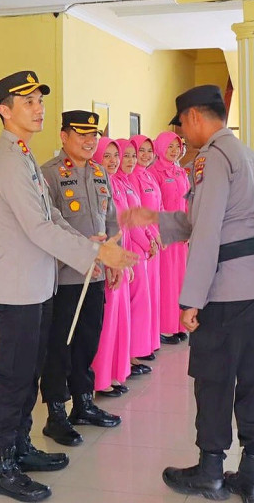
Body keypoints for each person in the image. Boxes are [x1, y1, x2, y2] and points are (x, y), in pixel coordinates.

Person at [122, 85, 254, 503]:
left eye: (182, 124)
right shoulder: (244, 153)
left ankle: (211, 472)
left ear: (195, 116)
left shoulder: (211, 157)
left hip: (230, 291)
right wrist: (155, 217)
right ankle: (250, 475)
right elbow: (209, 219)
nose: (181, 134)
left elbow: (209, 231)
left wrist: (191, 299)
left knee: (214, 378)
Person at [0, 70, 136, 502]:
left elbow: (52, 217)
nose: (38, 108)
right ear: (4, 110)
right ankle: (2, 467)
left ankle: (21, 446)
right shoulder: (8, 159)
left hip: (39, 284)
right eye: (28, 102)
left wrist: (93, 246)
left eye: (39, 101)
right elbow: (37, 227)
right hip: (19, 287)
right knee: (13, 375)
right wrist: (94, 253)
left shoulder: (24, 155)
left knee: (30, 371)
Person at [37, 111, 122, 448]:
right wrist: (84, 249)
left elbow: (111, 220)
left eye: (93, 135)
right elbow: (50, 225)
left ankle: (83, 403)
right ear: (63, 136)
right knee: (60, 344)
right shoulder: (49, 174)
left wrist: (113, 257)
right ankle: (56, 412)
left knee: (88, 339)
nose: (89, 141)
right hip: (66, 277)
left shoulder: (100, 173)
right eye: (81, 134)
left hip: (96, 275)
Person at [91, 138, 133, 398]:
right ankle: (100, 379)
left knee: (117, 321)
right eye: (106, 155)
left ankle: (114, 373)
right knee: (105, 324)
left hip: (117, 258)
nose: (114, 161)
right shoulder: (97, 184)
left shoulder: (115, 183)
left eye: (115, 155)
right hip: (105, 261)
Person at [114, 138, 159, 375]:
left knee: (140, 302)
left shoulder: (125, 182)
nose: (131, 160)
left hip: (139, 246)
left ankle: (133, 354)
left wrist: (151, 238)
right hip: (129, 249)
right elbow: (127, 222)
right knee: (134, 303)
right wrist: (146, 242)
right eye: (128, 155)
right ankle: (128, 357)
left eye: (134, 155)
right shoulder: (117, 182)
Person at [130, 134, 170, 349]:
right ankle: (139, 347)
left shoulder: (148, 176)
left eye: (149, 151)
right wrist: (152, 237)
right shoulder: (132, 177)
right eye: (141, 151)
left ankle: (150, 343)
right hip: (142, 242)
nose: (145, 155)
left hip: (154, 240)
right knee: (142, 299)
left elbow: (159, 207)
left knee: (153, 294)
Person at [152, 131, 190, 343]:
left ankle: (178, 324)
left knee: (179, 280)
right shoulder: (154, 172)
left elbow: (187, 201)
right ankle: (165, 327)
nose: (174, 151)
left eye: (177, 147)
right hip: (165, 234)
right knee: (166, 282)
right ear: (160, 148)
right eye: (170, 147)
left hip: (180, 235)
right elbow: (154, 205)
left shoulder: (180, 171)